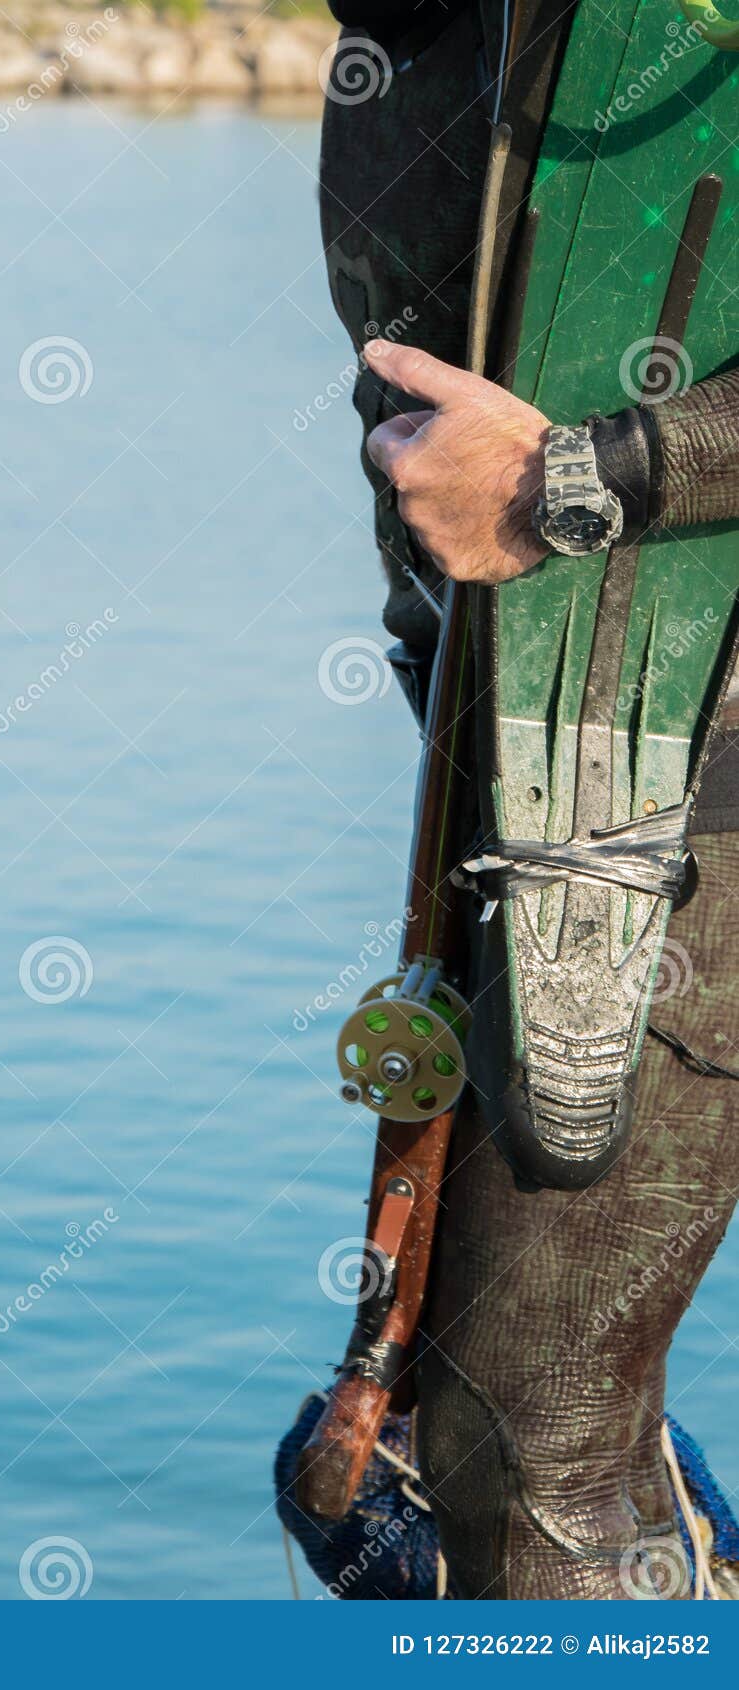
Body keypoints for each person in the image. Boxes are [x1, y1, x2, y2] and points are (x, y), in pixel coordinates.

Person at [319, 0, 739, 1596]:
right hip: (512, 776)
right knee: (429, 1454)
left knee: (524, 1453)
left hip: (692, 793)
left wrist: (579, 477)